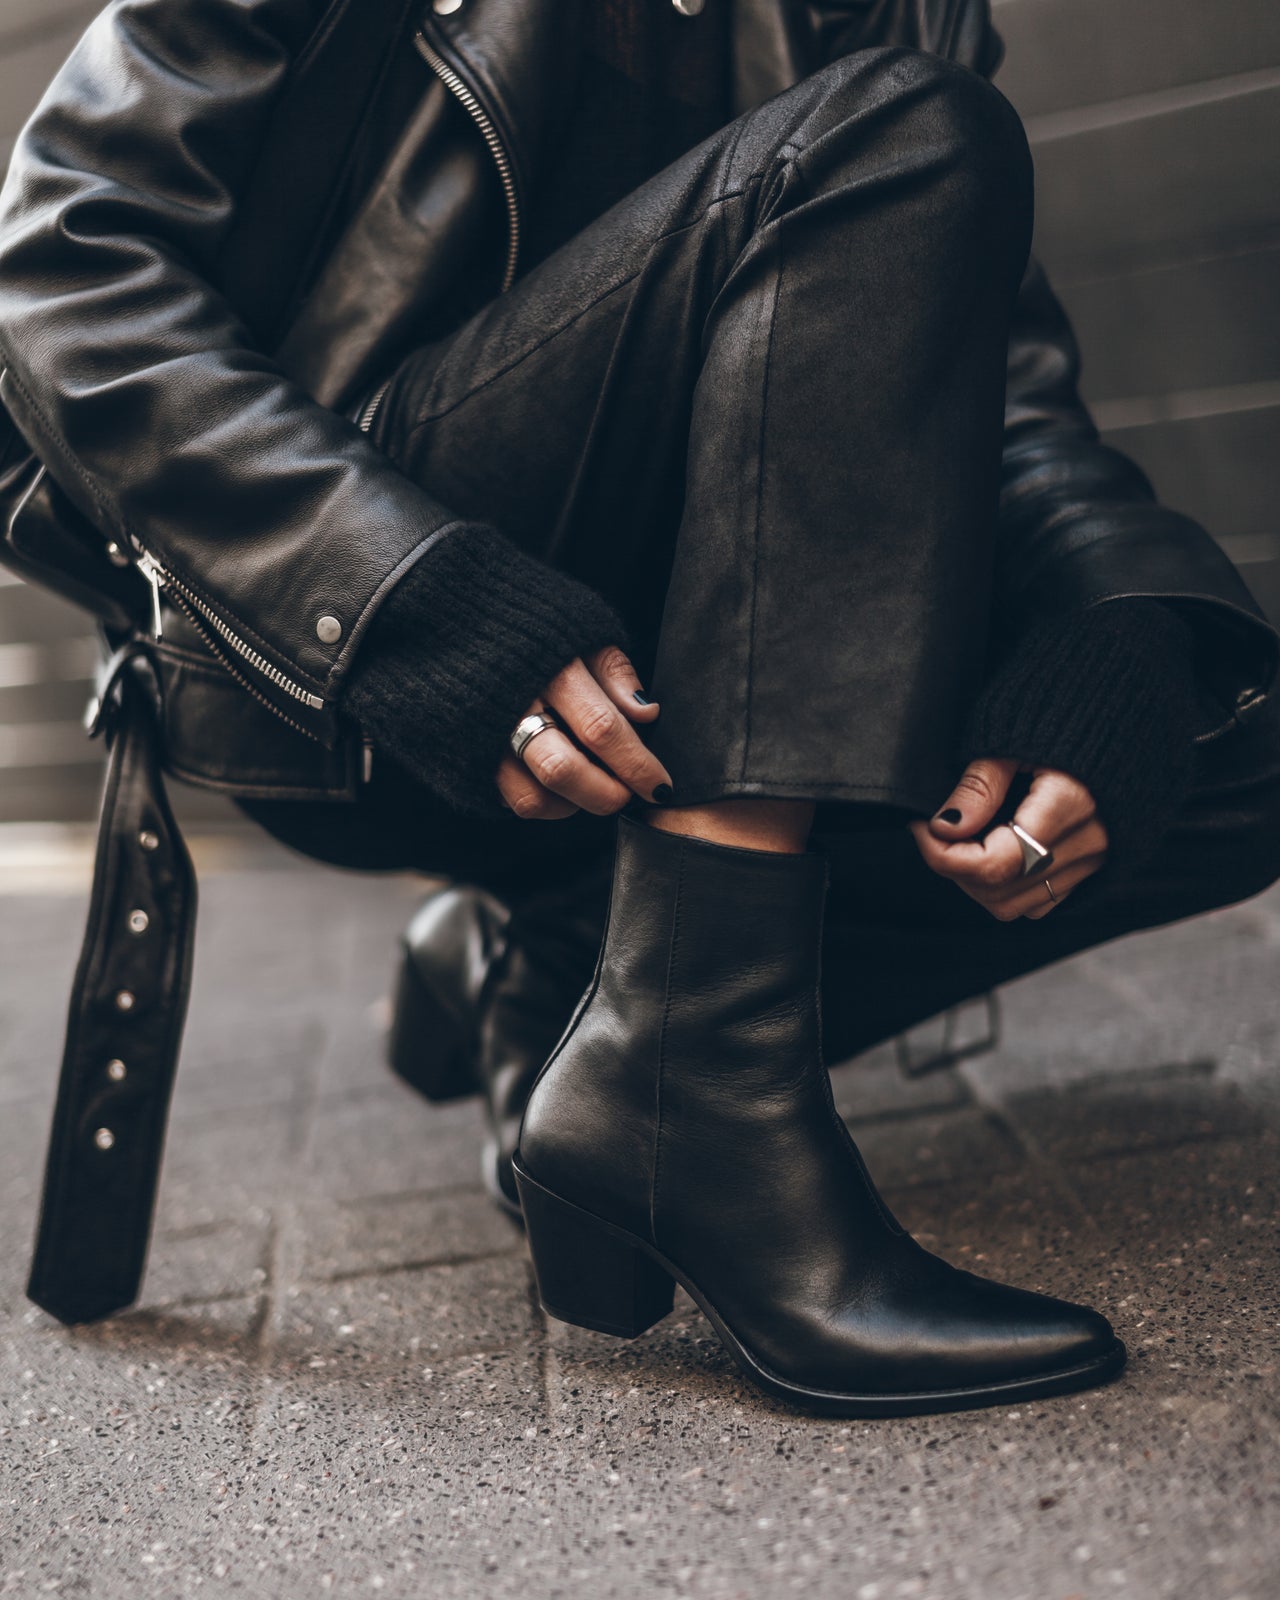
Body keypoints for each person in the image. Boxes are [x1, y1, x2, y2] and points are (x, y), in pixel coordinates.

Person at [1, 0, 1277, 1416]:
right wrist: (413, 604)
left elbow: (1006, 404)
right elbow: (71, 269)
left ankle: (578, 982)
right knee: (897, 133)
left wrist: (1125, 641)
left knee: (1230, 755)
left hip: (716, 658)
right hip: (354, 637)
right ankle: (694, 1083)